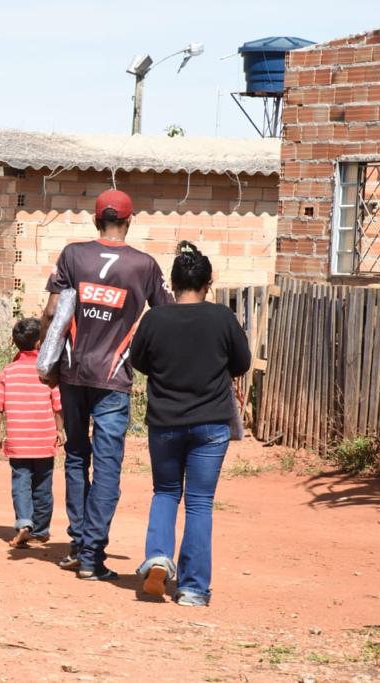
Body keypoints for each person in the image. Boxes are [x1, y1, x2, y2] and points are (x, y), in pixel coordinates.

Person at [41, 188, 173, 581]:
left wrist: (47, 364)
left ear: (95, 219)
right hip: (114, 378)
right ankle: (91, 557)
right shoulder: (144, 265)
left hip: (71, 372)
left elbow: (51, 312)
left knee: (77, 457)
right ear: (129, 221)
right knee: (108, 467)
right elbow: (163, 317)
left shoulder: (72, 255)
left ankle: (79, 542)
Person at [130, 242, 251, 606]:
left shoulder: (155, 318)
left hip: (165, 421)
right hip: (211, 424)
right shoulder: (222, 319)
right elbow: (242, 363)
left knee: (165, 492)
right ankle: (194, 589)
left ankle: (157, 557)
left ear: (172, 282)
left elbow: (139, 361)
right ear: (208, 282)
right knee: (200, 503)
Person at [0, 318, 65, 548]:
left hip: (19, 441)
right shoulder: (47, 371)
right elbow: (58, 404)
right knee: (43, 486)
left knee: (21, 483)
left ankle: (24, 524)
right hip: (44, 439)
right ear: (41, 343)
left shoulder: (8, 372)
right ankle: (41, 530)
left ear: (14, 342)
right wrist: (59, 430)